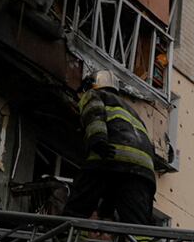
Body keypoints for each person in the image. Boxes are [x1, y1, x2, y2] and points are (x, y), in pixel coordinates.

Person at [65, 70, 158, 227]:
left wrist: (97, 140)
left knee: (76, 209)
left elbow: (94, 112)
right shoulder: (132, 112)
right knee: (137, 225)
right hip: (143, 172)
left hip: (109, 156)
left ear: (90, 86)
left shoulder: (94, 95)